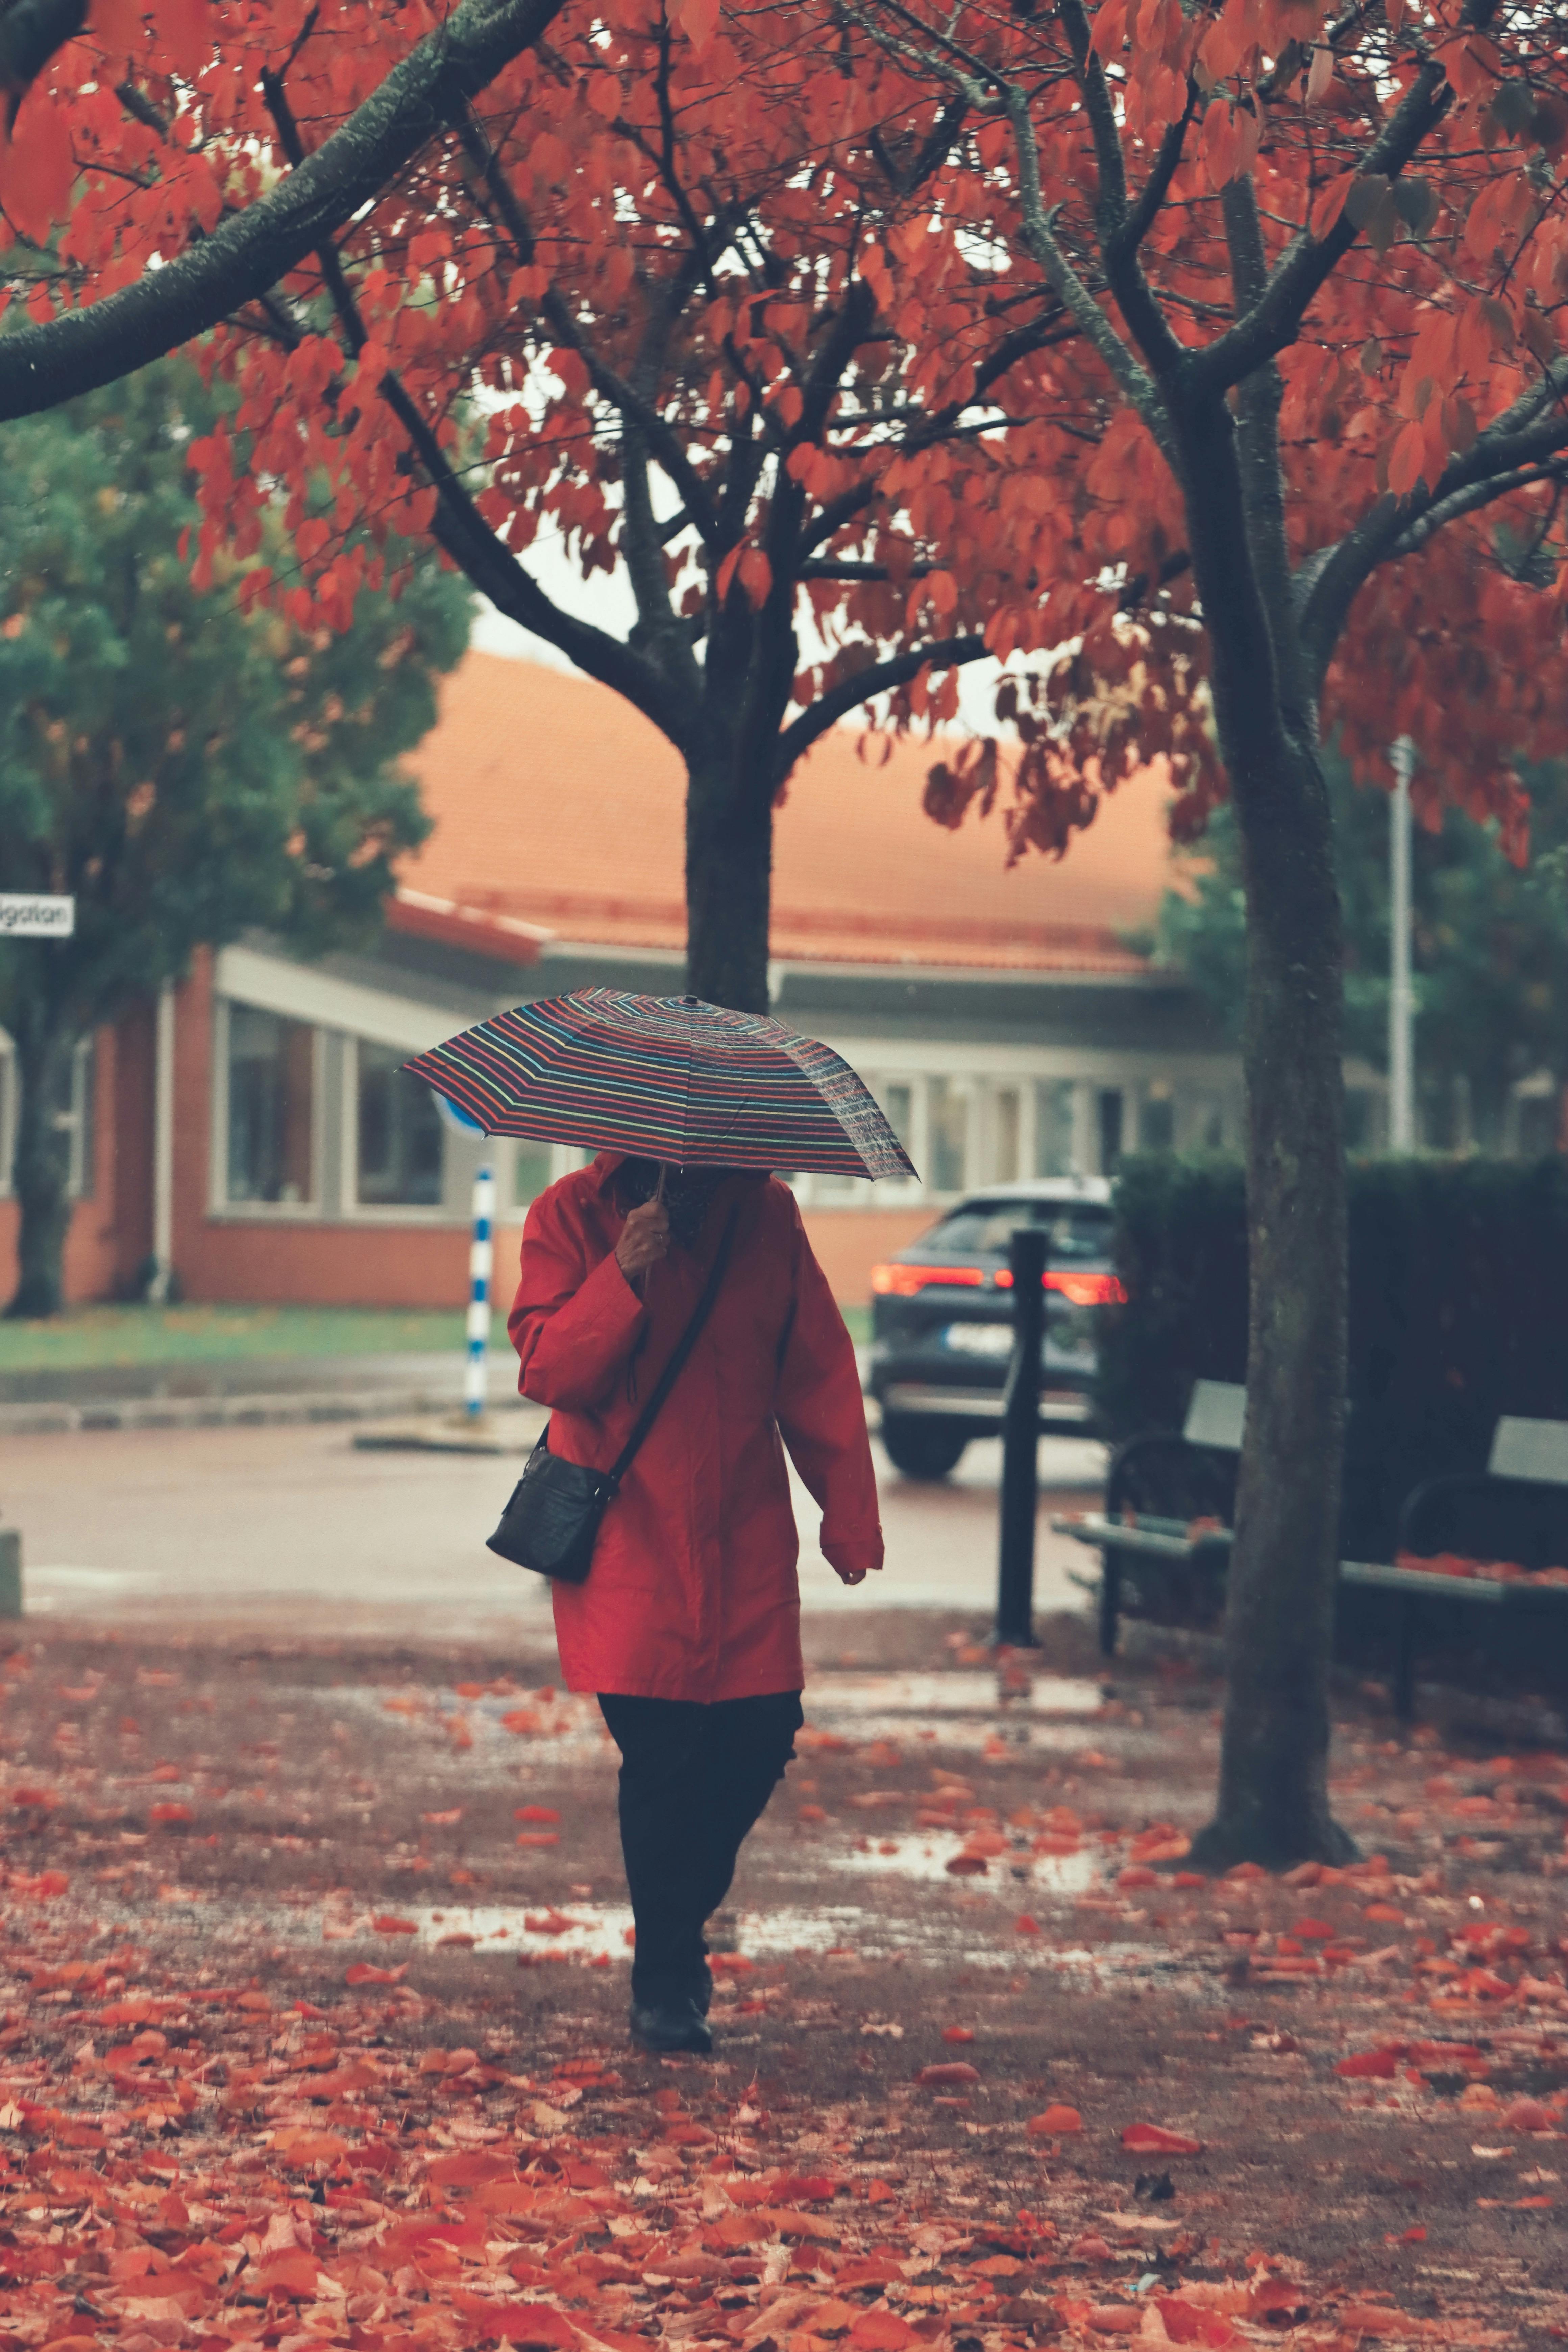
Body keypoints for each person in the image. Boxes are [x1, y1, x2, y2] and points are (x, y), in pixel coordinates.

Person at [508, 1151, 883, 2055]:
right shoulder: (570, 1217)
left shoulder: (768, 1217)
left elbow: (818, 1369)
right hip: (630, 1540)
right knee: (666, 1756)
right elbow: (550, 1372)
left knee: (761, 1737)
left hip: (743, 1536)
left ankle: (669, 1933)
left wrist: (849, 1513)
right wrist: (621, 1273)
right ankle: (667, 1980)